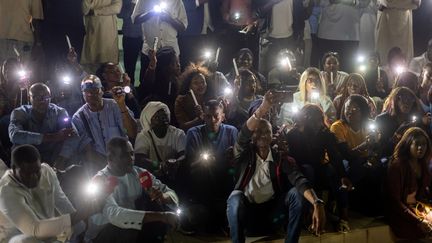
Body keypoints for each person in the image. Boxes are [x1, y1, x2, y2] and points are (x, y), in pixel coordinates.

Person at [227, 91, 326, 243]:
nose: (263, 135)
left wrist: (316, 202)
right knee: (235, 197)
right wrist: (263, 108)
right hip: (248, 216)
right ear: (253, 136)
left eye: (267, 132)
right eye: (258, 132)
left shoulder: (279, 158)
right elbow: (244, 135)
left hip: (272, 215)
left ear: (272, 135)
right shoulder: (243, 154)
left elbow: (299, 180)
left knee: (296, 194)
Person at [85, 137, 180, 243]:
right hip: (103, 233)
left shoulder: (140, 173)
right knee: (128, 229)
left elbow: (172, 194)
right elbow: (115, 215)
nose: (131, 158)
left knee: (156, 208)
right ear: (110, 158)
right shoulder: (99, 180)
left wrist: (163, 197)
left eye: (132, 153)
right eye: (125, 155)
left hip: (131, 230)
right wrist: (162, 216)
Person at [0, 145, 95, 243]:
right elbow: (34, 230)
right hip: (25, 234)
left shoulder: (46, 170)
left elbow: (61, 201)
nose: (34, 178)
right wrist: (80, 215)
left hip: (48, 226)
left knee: (80, 226)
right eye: (27, 174)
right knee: (23, 241)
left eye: (37, 171)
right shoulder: (6, 192)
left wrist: (79, 222)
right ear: (14, 169)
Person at [285, 104, 356, 232]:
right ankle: (309, 216)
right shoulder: (294, 133)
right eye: (314, 119)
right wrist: (300, 132)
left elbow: (334, 155)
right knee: (308, 170)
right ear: (306, 118)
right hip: (301, 172)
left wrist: (343, 175)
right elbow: (293, 160)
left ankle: (344, 217)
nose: (318, 123)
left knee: (333, 172)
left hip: (319, 168)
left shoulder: (325, 134)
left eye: (319, 119)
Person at [185, 100, 238, 231]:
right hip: (203, 184)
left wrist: (232, 157)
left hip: (225, 184)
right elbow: (189, 164)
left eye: (216, 116)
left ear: (223, 116)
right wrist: (205, 162)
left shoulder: (231, 132)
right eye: (208, 116)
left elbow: (237, 160)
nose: (213, 120)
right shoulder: (194, 133)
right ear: (203, 116)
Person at [72, 75, 137, 174]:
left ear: (102, 90)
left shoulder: (115, 106)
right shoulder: (79, 117)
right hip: (100, 167)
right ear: (83, 94)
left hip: (124, 162)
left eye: (95, 91)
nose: (91, 95)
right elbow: (88, 151)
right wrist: (110, 167)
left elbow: (132, 133)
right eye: (87, 92)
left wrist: (122, 105)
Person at [8, 83, 79, 169]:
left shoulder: (59, 112)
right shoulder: (20, 113)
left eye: (46, 98)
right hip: (29, 157)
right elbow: (15, 135)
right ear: (29, 98)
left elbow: (73, 136)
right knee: (18, 147)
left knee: (72, 153)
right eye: (37, 97)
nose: (42, 102)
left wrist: (61, 160)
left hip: (53, 156)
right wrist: (53, 137)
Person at [386, 127, 432, 240]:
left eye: (424, 144)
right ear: (408, 145)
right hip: (400, 211)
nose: (421, 148)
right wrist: (418, 220)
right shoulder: (397, 166)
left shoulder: (423, 164)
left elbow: (423, 195)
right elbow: (394, 201)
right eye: (417, 144)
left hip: (417, 207)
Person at [132, 0, 187, 81]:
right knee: (148, 83)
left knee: (173, 83)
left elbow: (183, 26)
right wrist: (151, 13)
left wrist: (169, 19)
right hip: (150, 51)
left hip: (172, 52)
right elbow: (135, 19)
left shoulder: (177, 2)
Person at [253, 0, 311, 77]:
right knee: (269, 71)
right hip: (270, 38)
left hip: (289, 38)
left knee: (287, 71)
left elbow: (301, 16)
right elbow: (258, 13)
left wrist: (299, 39)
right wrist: (272, 2)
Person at [135, 102, 186, 186]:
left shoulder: (178, 133)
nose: (163, 119)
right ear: (149, 120)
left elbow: (184, 154)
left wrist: (176, 163)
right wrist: (159, 165)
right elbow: (140, 159)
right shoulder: (143, 136)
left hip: (175, 174)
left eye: (164, 115)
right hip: (153, 177)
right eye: (157, 117)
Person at [316, 0, 369, 72]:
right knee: (327, 74)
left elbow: (364, 3)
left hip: (350, 33)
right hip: (327, 32)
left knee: (347, 73)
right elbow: (318, 2)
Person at [376, 87, 428, 159]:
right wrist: (398, 134)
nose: (407, 102)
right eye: (403, 98)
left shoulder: (415, 120)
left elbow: (423, 146)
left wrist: (424, 124)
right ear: (396, 100)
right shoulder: (382, 120)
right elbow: (382, 150)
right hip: (389, 160)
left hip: (410, 160)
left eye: (411, 99)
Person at [375, 0, 420, 66]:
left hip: (403, 22)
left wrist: (390, 3)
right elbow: (381, 2)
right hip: (385, 21)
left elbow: (416, 3)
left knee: (403, 57)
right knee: (383, 58)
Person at [138, 46, 181, 115]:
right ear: (166, 66)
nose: (178, 65)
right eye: (174, 63)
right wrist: (151, 67)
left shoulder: (176, 80)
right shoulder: (156, 83)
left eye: (178, 61)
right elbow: (147, 83)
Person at [81, 0, 121, 72]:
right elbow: (85, 10)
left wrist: (95, 11)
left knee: (109, 68)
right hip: (92, 34)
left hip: (108, 35)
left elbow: (117, 8)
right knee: (91, 69)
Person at [0, 0, 44, 65]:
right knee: (24, 71)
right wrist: (38, 43)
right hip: (24, 40)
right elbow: (36, 18)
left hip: (2, 39)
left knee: (3, 71)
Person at [175, 64, 212, 131]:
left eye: (203, 82)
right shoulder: (181, 101)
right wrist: (198, 119)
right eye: (196, 83)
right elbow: (183, 126)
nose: (201, 85)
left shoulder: (209, 98)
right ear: (189, 86)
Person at [118, 0, 143, 87]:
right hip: (130, 36)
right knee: (129, 69)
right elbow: (120, 14)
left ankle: (144, 92)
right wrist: (132, 5)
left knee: (147, 67)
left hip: (147, 36)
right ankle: (130, 92)